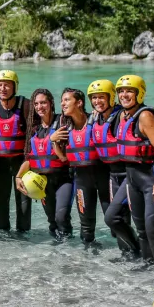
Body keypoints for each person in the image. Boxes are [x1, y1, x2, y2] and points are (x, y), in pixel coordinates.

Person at [105, 75, 154, 276]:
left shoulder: (144, 116)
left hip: (151, 180)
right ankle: (148, 264)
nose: (124, 95)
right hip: (132, 180)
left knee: (153, 229)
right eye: (121, 91)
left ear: (139, 93)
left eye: (129, 91)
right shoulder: (122, 116)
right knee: (141, 228)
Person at [15, 88, 72, 240]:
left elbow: (65, 157)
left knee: (62, 217)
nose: (40, 107)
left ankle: (69, 248)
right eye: (36, 104)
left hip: (63, 179)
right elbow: (29, 158)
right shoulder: (34, 129)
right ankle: (57, 250)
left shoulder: (63, 122)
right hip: (43, 182)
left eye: (43, 103)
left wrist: (52, 141)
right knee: (52, 220)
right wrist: (18, 177)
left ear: (51, 103)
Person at [87, 79, 136, 254]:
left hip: (128, 174)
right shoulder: (97, 118)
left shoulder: (121, 116)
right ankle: (127, 254)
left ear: (111, 98)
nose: (97, 101)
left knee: (114, 217)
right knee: (117, 220)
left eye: (101, 97)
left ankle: (136, 250)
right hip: (113, 176)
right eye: (94, 98)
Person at [53, 88, 103, 246]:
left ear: (79, 103)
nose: (62, 103)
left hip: (103, 175)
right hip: (81, 179)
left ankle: (131, 254)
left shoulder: (97, 119)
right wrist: (54, 141)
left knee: (114, 220)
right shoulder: (66, 128)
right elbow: (63, 158)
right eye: (62, 100)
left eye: (67, 100)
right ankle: (88, 256)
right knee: (86, 226)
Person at [0, 70, 33, 232]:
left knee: (24, 205)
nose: (3, 88)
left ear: (15, 87)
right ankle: (3, 238)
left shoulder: (26, 105)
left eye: (7, 85)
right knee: (1, 203)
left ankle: (24, 237)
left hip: (21, 163)